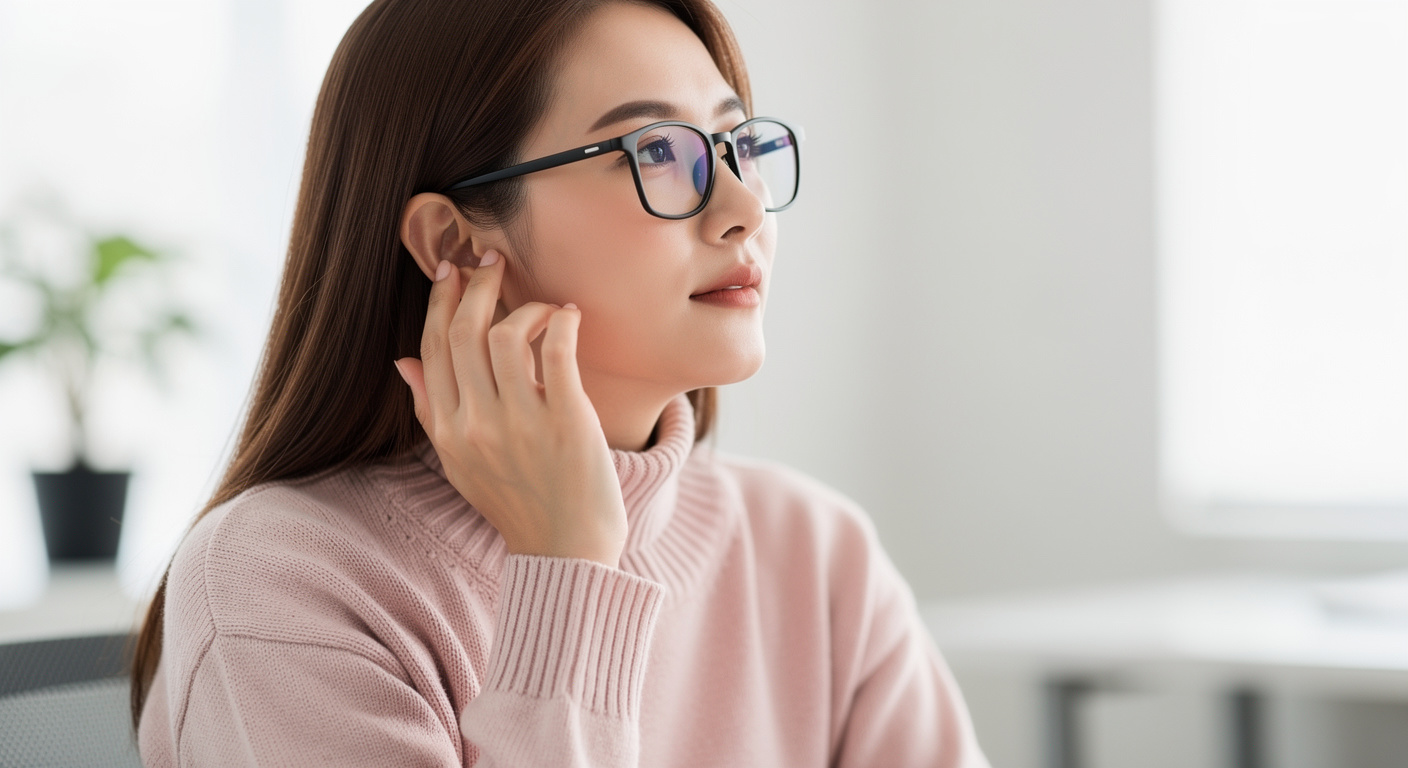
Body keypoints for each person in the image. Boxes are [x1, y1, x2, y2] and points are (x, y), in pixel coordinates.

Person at [130, 0, 990, 765]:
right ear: (458, 245)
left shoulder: (814, 551)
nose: (745, 209)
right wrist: (570, 565)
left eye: (738, 145)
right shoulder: (285, 581)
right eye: (657, 152)